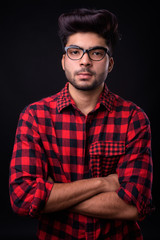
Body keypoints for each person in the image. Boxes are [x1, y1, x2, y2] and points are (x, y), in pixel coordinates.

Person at [9, 8, 153, 240]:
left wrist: (52, 195)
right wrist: (103, 183)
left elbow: (135, 206)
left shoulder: (133, 118)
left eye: (96, 53)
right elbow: (22, 198)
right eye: (75, 52)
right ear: (64, 61)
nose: (85, 61)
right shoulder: (34, 116)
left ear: (110, 63)